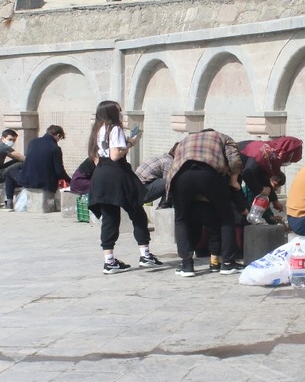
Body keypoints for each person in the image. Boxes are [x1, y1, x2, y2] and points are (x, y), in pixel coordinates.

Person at [87, 100, 161, 274]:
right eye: (119, 111)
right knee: (137, 212)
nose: (121, 114)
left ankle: (109, 260)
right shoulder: (115, 129)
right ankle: (145, 254)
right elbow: (115, 155)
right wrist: (130, 144)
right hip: (117, 175)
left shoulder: (97, 130)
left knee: (110, 218)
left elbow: (97, 156)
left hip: (101, 174)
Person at [165, 128, 245, 277]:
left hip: (181, 176)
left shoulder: (185, 140)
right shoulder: (223, 137)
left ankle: (186, 265)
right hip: (209, 174)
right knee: (226, 218)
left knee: (181, 219)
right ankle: (227, 263)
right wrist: (234, 179)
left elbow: (169, 157)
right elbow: (234, 160)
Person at [17, 125, 71, 202]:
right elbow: (59, 171)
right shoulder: (55, 148)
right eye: (60, 138)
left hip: (27, 180)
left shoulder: (32, 142)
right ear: (58, 135)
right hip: (45, 183)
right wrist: (70, 181)